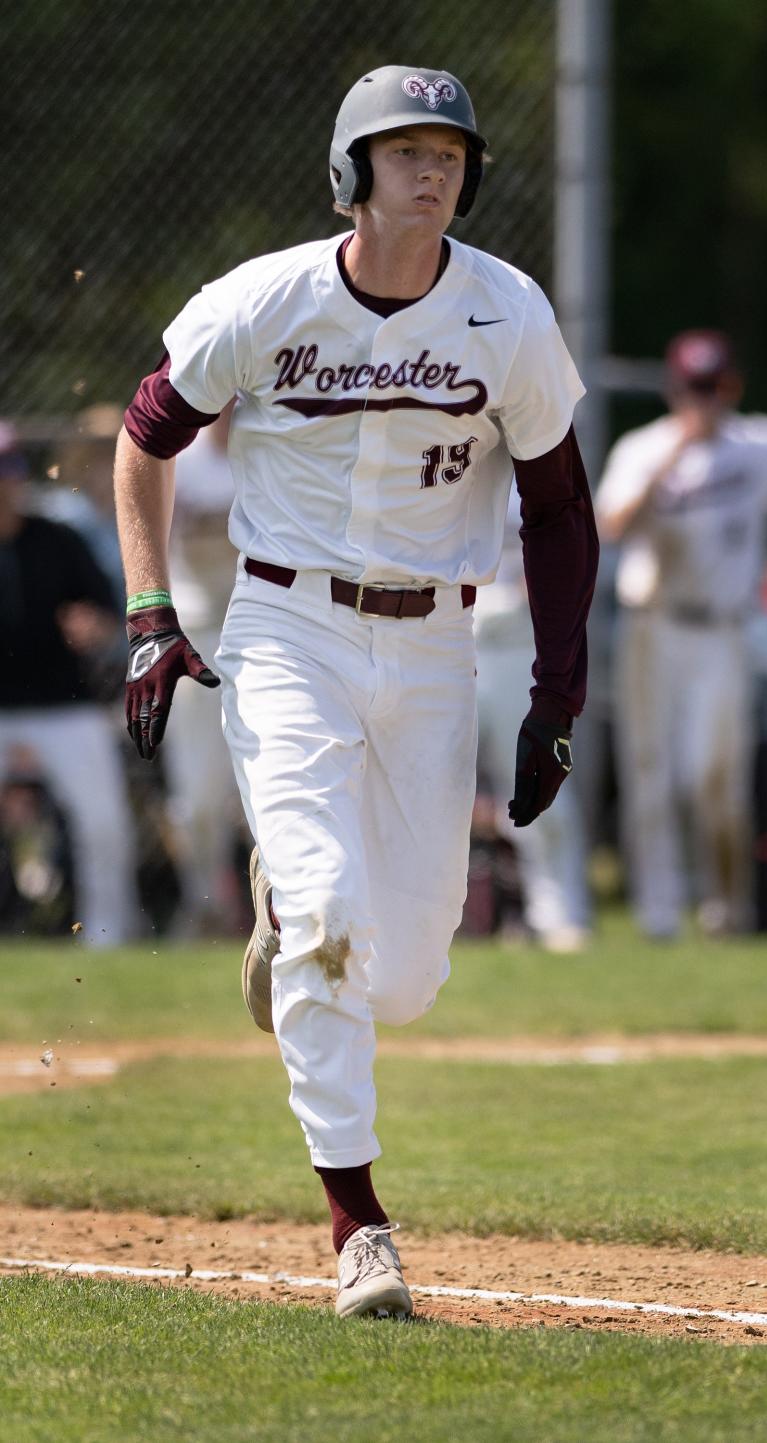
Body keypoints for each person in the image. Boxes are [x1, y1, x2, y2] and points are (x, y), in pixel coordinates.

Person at [114, 65, 597, 1319]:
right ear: (351, 172)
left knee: (409, 976)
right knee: (329, 920)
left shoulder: (508, 311)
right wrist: (151, 611)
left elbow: (556, 506)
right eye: (404, 152)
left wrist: (558, 690)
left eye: (450, 154)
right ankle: (359, 1228)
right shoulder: (267, 298)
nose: (432, 172)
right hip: (286, 629)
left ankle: (294, 917)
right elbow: (145, 433)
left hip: (436, 646)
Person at [596, 331, 767, 939]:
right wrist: (674, 452)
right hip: (654, 624)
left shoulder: (760, 445)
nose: (704, 402)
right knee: (649, 775)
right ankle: (660, 913)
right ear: (673, 391)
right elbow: (610, 525)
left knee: (712, 776)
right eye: (693, 389)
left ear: (732, 387)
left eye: (715, 388)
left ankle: (726, 908)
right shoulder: (644, 448)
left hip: (723, 629)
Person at [0, 423, 138, 944]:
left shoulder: (59, 539)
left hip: (64, 706)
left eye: (8, 471)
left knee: (104, 822)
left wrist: (97, 628)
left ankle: (107, 937)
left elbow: (110, 616)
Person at [474, 486, 592, 951]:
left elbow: (575, 542)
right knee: (424, 782)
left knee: (539, 779)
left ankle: (559, 910)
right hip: (443, 635)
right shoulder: (435, 439)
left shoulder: (538, 455)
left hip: (520, 644)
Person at [163, 403, 250, 936]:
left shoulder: (266, 452)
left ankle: (280, 914)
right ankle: (204, 907)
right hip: (196, 635)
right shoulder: (180, 457)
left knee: (266, 786)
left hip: (259, 631)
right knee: (196, 798)